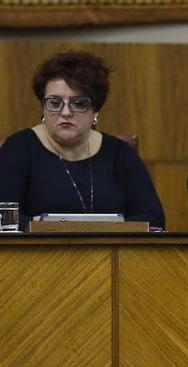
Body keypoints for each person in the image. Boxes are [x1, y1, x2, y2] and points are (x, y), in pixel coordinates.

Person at [0, 50, 165, 231]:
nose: (65, 112)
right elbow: (4, 219)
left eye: (78, 103)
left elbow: (153, 218)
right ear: (43, 108)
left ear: (95, 110)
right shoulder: (17, 149)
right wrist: (38, 226)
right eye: (55, 103)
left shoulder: (119, 153)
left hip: (111, 256)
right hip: (37, 257)